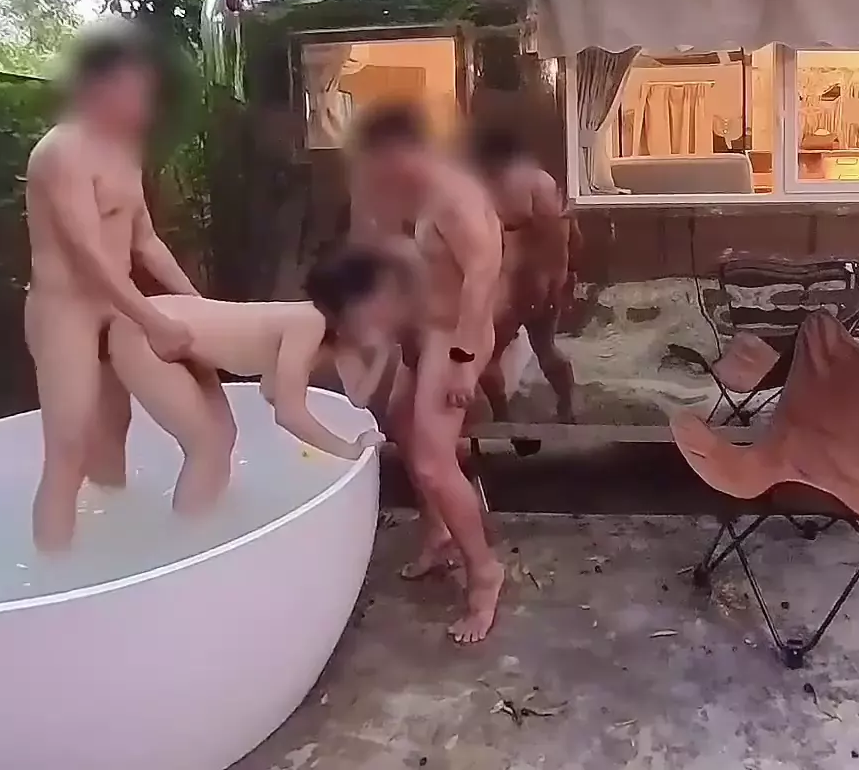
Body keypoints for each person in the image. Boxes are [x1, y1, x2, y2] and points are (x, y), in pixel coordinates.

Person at [24, 17, 200, 552]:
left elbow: (146, 241)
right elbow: (88, 256)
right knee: (70, 446)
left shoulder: (124, 150)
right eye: (138, 89)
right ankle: (52, 576)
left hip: (116, 307)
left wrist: (198, 304)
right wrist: (152, 319)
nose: (148, 103)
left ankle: (111, 552)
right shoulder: (60, 152)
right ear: (102, 86)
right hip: (66, 312)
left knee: (115, 429)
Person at [347, 102, 506, 644]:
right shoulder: (423, 191)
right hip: (430, 334)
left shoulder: (455, 196)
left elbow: (482, 274)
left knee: (435, 464)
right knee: (401, 425)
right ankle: (438, 534)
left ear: (403, 150)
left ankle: (484, 574)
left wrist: (462, 362)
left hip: (456, 338)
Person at [112, 249, 401, 471]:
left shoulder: (337, 340)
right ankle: (192, 529)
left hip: (178, 331)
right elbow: (288, 413)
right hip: (148, 329)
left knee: (220, 443)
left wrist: (383, 351)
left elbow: (357, 398)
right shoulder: (310, 323)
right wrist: (349, 450)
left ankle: (205, 523)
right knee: (208, 449)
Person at [467, 123, 577, 425]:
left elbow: (551, 241)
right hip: (541, 285)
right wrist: (565, 282)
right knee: (543, 349)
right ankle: (564, 409)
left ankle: (506, 418)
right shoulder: (544, 184)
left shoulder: (513, 186)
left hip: (521, 287)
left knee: (491, 356)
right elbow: (569, 242)